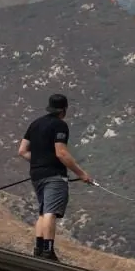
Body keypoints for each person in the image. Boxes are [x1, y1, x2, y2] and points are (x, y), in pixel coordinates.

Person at [18, 93, 93, 261]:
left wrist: (39, 160)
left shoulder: (35, 124)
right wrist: (81, 174)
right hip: (54, 175)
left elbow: (22, 151)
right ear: (64, 110)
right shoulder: (60, 125)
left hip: (36, 174)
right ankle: (48, 251)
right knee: (51, 211)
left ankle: (38, 249)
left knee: (43, 212)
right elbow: (62, 153)